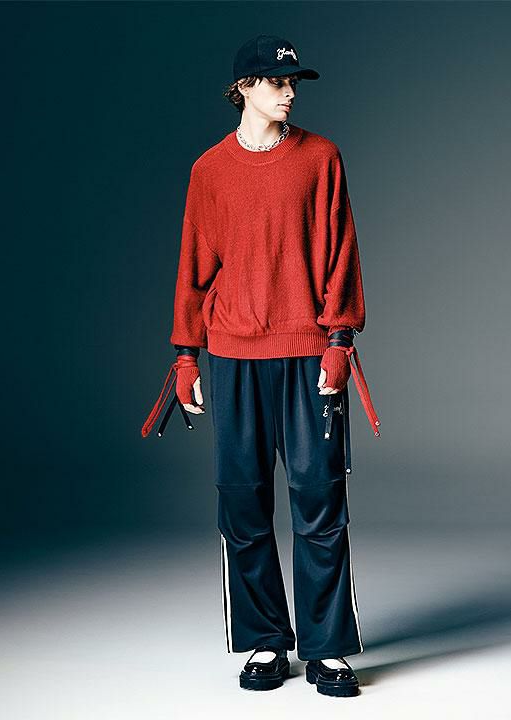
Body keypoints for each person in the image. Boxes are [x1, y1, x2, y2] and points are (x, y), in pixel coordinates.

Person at [166, 35, 380, 697]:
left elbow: (341, 253)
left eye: (293, 83)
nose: (289, 93)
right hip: (233, 356)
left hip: (307, 354)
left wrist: (339, 342)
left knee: (321, 501)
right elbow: (194, 267)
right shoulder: (209, 170)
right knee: (242, 502)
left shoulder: (320, 158)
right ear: (243, 89)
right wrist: (186, 356)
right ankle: (265, 639)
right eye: (276, 82)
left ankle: (327, 648)